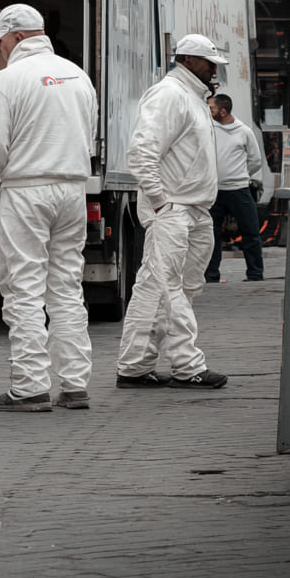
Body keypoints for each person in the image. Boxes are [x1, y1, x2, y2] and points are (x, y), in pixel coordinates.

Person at [0, 4, 98, 413]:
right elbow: (90, 133)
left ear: (17, 37)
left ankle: (29, 386)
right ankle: (75, 384)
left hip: (28, 191)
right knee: (66, 287)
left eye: (1, 41)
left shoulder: (8, 80)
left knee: (23, 288)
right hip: (72, 190)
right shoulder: (78, 76)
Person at [116, 33, 229, 391]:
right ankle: (187, 364)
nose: (215, 71)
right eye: (211, 63)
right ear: (191, 61)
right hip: (175, 209)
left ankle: (135, 365)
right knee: (169, 289)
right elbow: (142, 151)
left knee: (161, 287)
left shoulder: (190, 97)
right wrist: (161, 201)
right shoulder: (170, 95)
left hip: (188, 207)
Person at [204, 93, 264, 283]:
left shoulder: (244, 131)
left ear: (222, 111)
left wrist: (240, 174)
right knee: (211, 234)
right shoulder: (208, 129)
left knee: (251, 232)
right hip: (214, 189)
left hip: (239, 189)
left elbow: (255, 160)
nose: (208, 111)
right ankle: (211, 275)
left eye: (211, 108)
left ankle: (255, 274)